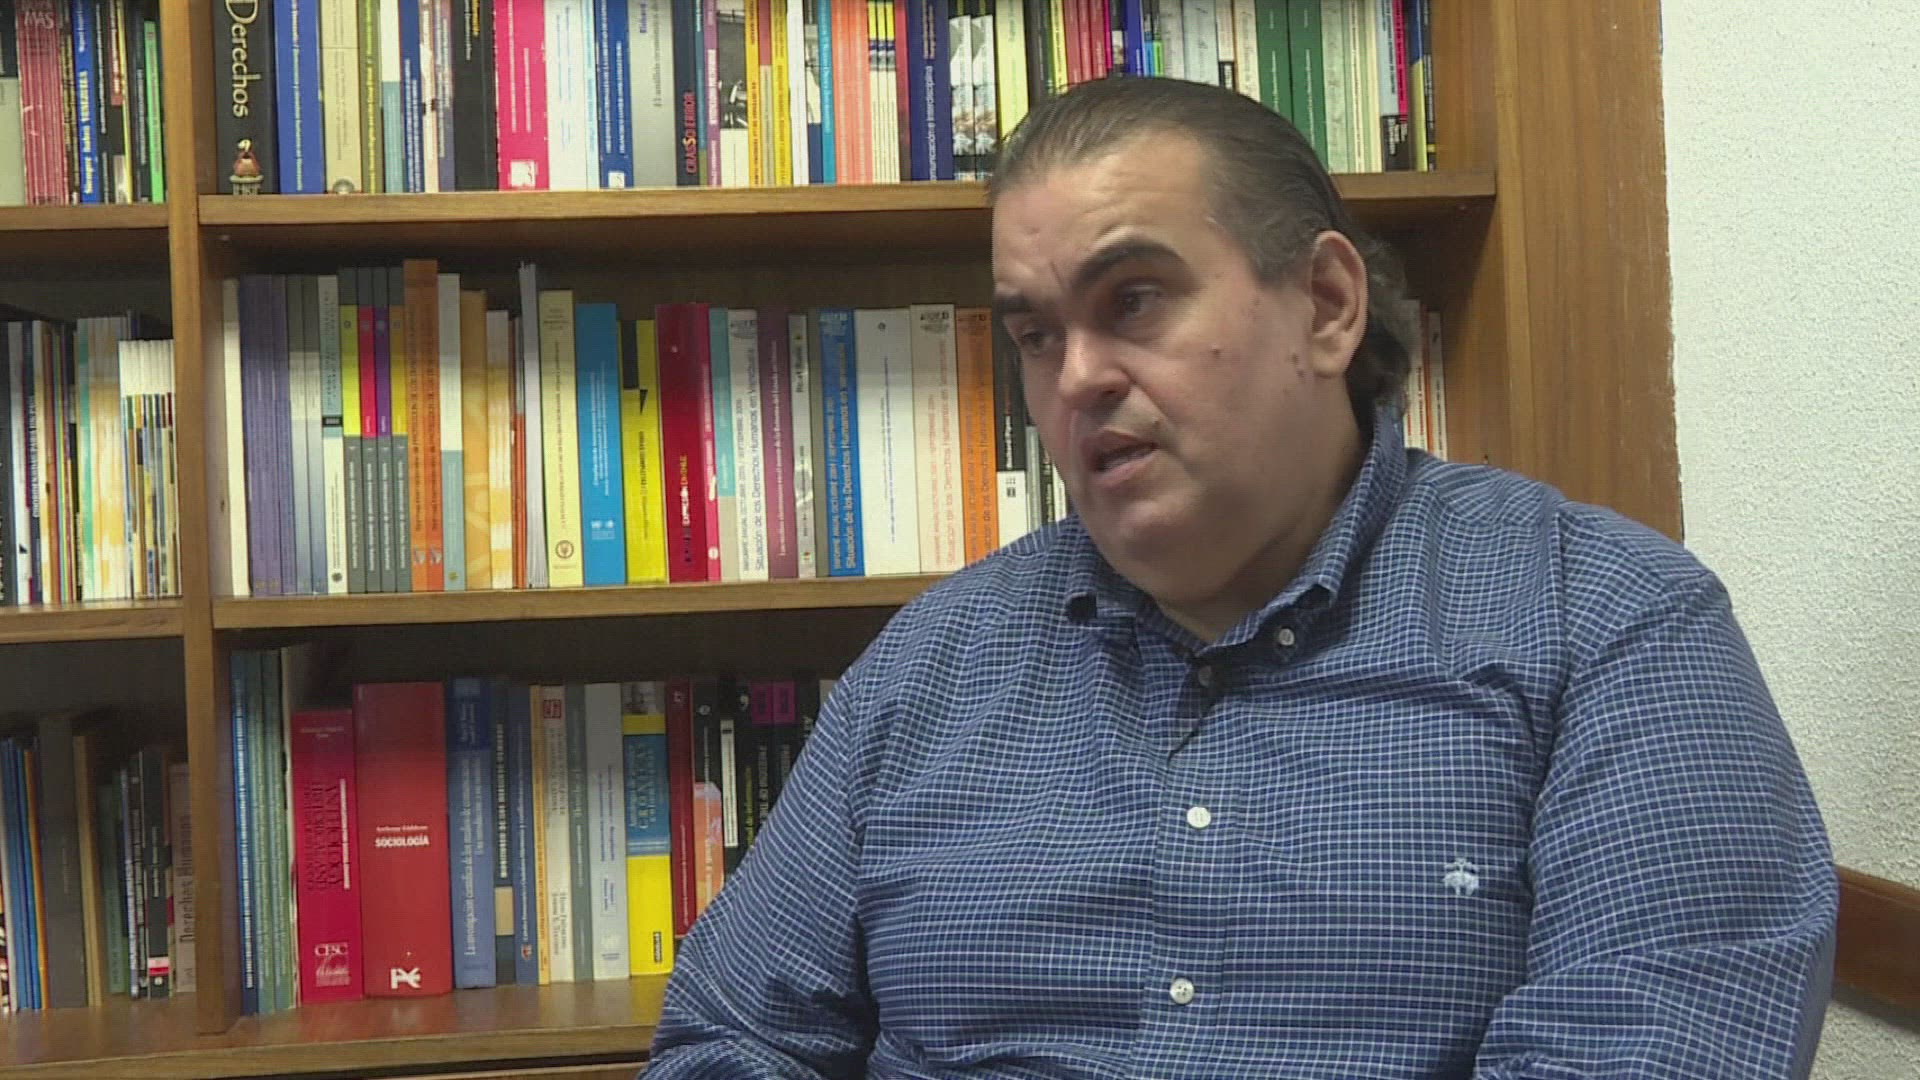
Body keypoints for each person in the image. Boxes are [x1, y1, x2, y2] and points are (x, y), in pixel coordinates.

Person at [644, 76, 1837, 1079]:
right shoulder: (930, 664)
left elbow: (1661, 1050)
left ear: (1326, 306)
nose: (1077, 378)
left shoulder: (1609, 623)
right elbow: (730, 1037)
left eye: (1134, 300)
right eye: (1037, 333)